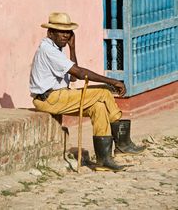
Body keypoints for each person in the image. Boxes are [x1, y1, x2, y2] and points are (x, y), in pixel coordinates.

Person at [30, 12, 145, 172]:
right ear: (50, 33)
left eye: (68, 31)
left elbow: (72, 76)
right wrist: (111, 81)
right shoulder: (48, 50)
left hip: (60, 96)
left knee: (98, 108)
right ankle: (122, 143)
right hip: (50, 99)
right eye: (61, 31)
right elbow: (78, 73)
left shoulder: (56, 49)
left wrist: (72, 47)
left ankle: (104, 160)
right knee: (104, 92)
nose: (65, 35)